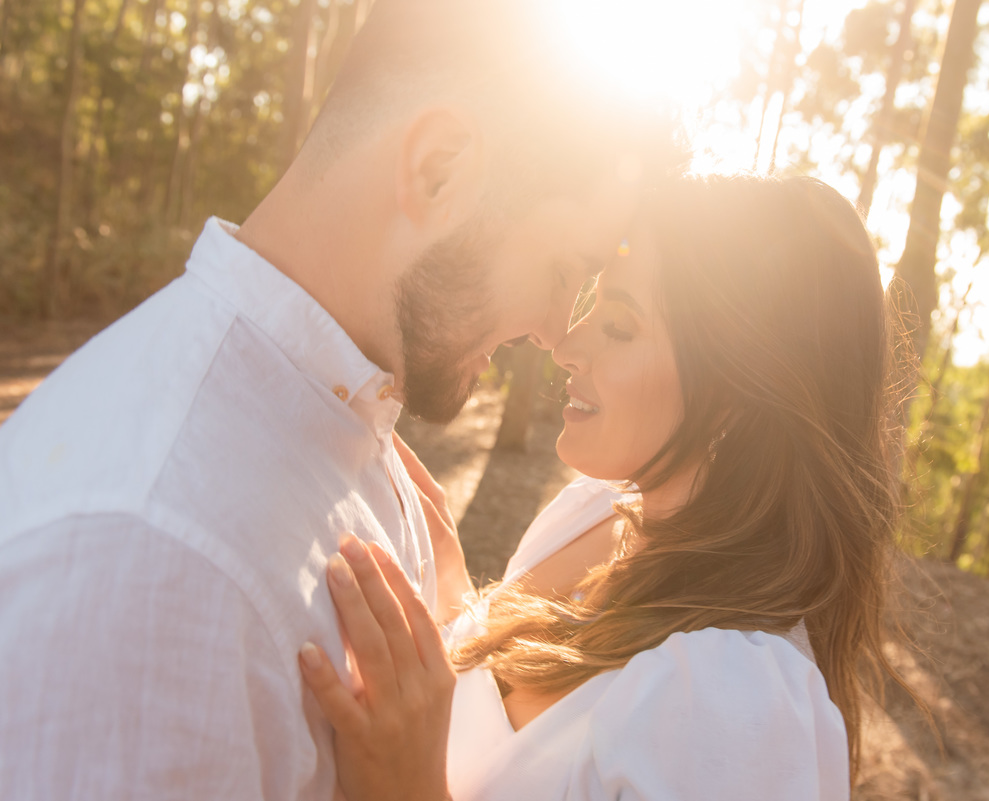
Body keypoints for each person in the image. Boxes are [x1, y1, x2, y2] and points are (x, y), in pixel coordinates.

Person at [0, 1, 676, 797]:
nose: (556, 331)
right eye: (565, 268)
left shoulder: (354, 424)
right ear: (440, 168)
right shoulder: (141, 556)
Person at [301, 174, 909, 800]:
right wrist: (458, 610)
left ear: (739, 398)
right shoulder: (593, 514)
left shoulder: (739, 707)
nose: (566, 345)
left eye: (620, 325)